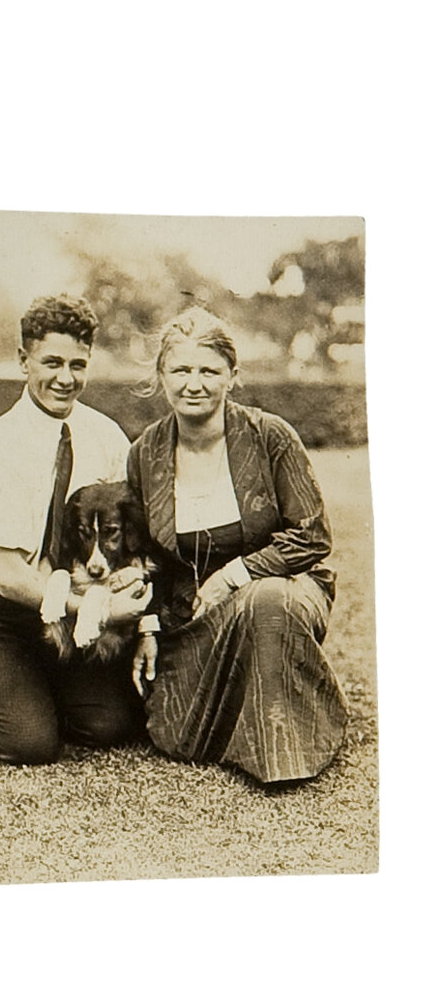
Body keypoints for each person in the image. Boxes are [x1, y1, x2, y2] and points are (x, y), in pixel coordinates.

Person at [124, 308, 348, 784]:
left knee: (266, 603)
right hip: (193, 613)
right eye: (181, 370)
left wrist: (234, 576)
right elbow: (141, 554)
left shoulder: (270, 437)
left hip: (285, 588)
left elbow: (312, 535)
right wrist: (145, 626)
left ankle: (285, 753)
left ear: (232, 376)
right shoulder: (145, 453)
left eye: (209, 371)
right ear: (162, 376)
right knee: (175, 734)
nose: (194, 384)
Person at [0, 294, 148, 765]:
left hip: (72, 604)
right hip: (1, 611)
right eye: (51, 362)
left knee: (109, 726)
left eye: (78, 364)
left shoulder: (105, 436)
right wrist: (100, 612)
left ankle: (34, 681)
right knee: (29, 744)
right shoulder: (0, 448)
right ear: (23, 360)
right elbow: (13, 579)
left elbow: (134, 532)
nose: (65, 378)